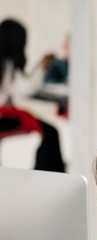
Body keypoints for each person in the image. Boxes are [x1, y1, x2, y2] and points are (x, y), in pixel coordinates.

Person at [0, 18, 65, 172]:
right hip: (4, 117)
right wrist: (42, 67)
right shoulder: (6, 64)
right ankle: (52, 175)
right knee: (50, 132)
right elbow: (26, 89)